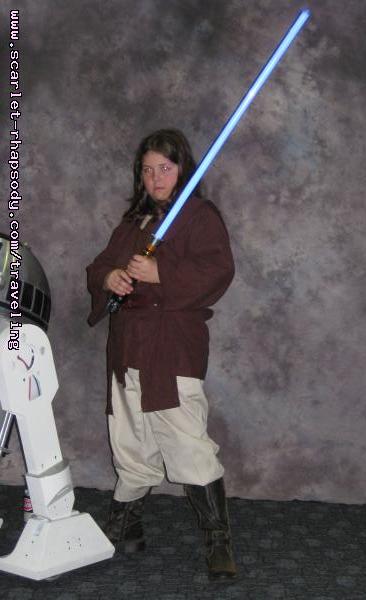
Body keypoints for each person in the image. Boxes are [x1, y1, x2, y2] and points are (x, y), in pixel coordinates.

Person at [86, 129, 236, 579]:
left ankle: (219, 540)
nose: (156, 178)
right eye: (148, 170)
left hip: (171, 348)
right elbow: (99, 265)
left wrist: (160, 271)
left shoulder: (200, 217)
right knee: (130, 441)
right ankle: (126, 526)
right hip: (127, 346)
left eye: (165, 168)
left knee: (187, 442)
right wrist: (109, 277)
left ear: (182, 169)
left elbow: (218, 271)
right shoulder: (134, 223)